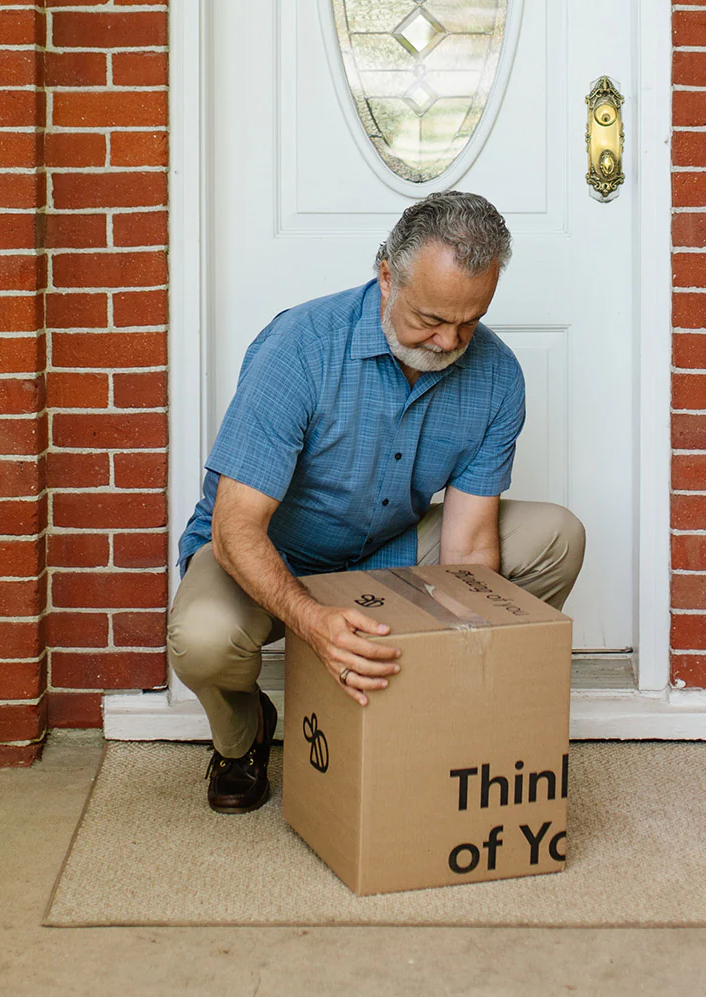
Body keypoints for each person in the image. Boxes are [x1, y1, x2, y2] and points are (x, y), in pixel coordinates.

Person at [167, 191, 586, 814]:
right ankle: (243, 736)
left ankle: (437, 709)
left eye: (468, 322)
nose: (447, 341)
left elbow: (468, 548)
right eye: (429, 318)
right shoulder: (300, 348)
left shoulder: (497, 375)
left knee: (556, 534)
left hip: (387, 552)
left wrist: (459, 662)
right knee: (202, 639)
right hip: (267, 550)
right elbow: (235, 528)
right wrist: (313, 622)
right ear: (386, 274)